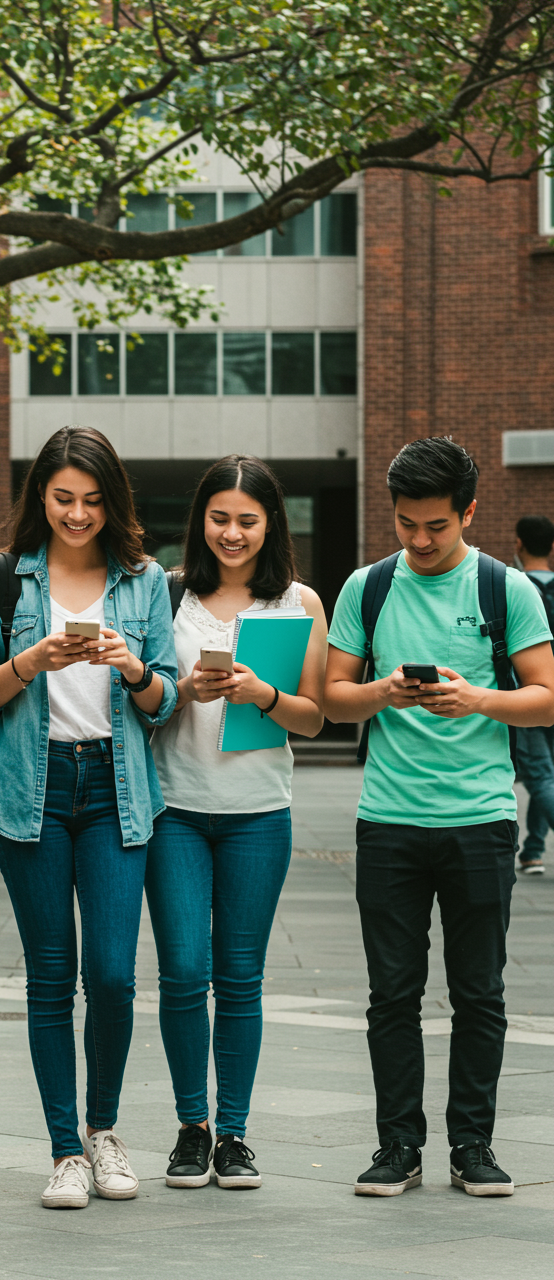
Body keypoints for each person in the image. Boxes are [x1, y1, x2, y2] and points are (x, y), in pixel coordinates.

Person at [324, 437, 554, 1199]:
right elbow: (331, 697)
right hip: (389, 818)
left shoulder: (505, 589)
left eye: (436, 527)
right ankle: (398, 1146)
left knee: (478, 992)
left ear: (469, 514)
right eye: (406, 525)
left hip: (482, 820)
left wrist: (479, 698)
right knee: (392, 992)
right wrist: (384, 691)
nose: (420, 541)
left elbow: (546, 695)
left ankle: (472, 1145)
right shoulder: (370, 586)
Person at [0, 426, 177, 1210]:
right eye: (62, 499)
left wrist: (134, 667)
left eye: (91, 501)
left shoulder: (144, 579)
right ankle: (64, 1152)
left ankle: (104, 1131)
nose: (77, 515)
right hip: (32, 786)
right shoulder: (6, 579)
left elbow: (168, 698)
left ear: (111, 502)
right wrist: (29, 663)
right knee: (52, 977)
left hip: (116, 788)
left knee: (112, 977)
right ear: (40, 498)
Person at [145, 456, 328, 1190]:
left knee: (241, 978)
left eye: (247, 520)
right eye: (219, 518)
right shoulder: (163, 596)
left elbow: (314, 718)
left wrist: (264, 693)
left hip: (259, 814)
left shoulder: (300, 602)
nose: (231, 532)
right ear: (201, 522)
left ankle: (236, 1135)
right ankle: (194, 1128)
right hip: (175, 810)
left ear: (269, 525)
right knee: (185, 972)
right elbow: (141, 698)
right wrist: (184, 689)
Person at [514, 514, 554, 874]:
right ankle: (533, 850)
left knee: (540, 776)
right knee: (549, 775)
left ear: (518, 545)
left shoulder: (514, 588)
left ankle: (535, 848)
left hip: (527, 695)